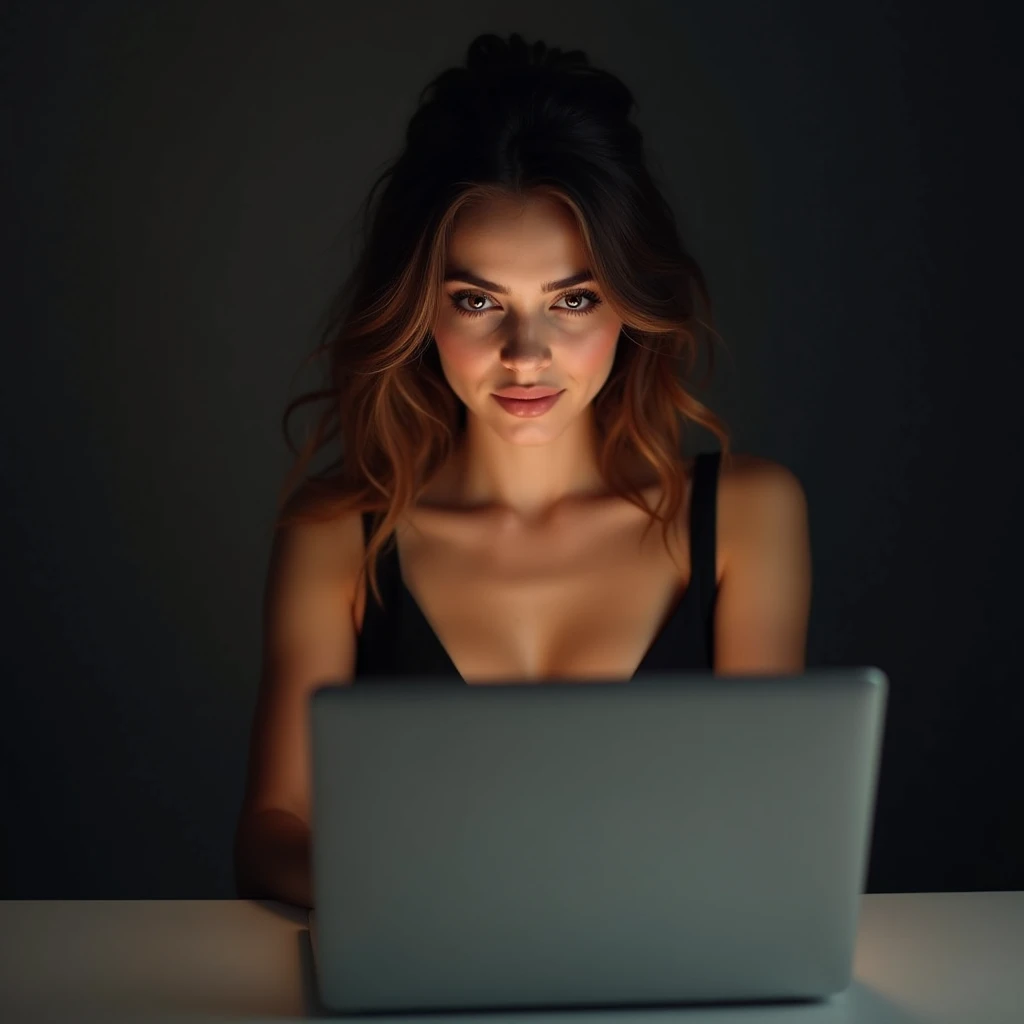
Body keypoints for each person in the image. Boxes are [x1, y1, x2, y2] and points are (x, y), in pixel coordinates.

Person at [234, 32, 812, 909]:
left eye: (573, 300)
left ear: (629, 301)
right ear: (421, 309)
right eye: (478, 302)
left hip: (667, 980)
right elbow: (273, 829)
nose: (525, 354)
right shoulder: (340, 530)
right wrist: (424, 901)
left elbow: (774, 822)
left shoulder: (747, 517)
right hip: (422, 975)